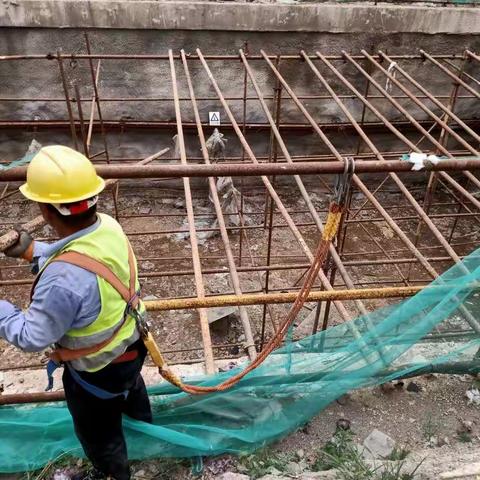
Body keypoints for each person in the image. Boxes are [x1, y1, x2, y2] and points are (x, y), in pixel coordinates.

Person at [0, 145, 152, 480]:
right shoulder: (108, 225)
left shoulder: (60, 282)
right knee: (132, 393)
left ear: (45, 209)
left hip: (96, 371)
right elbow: (83, 257)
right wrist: (32, 252)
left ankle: (113, 472)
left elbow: (32, 336)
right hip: (132, 345)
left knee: (99, 435)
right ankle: (148, 436)